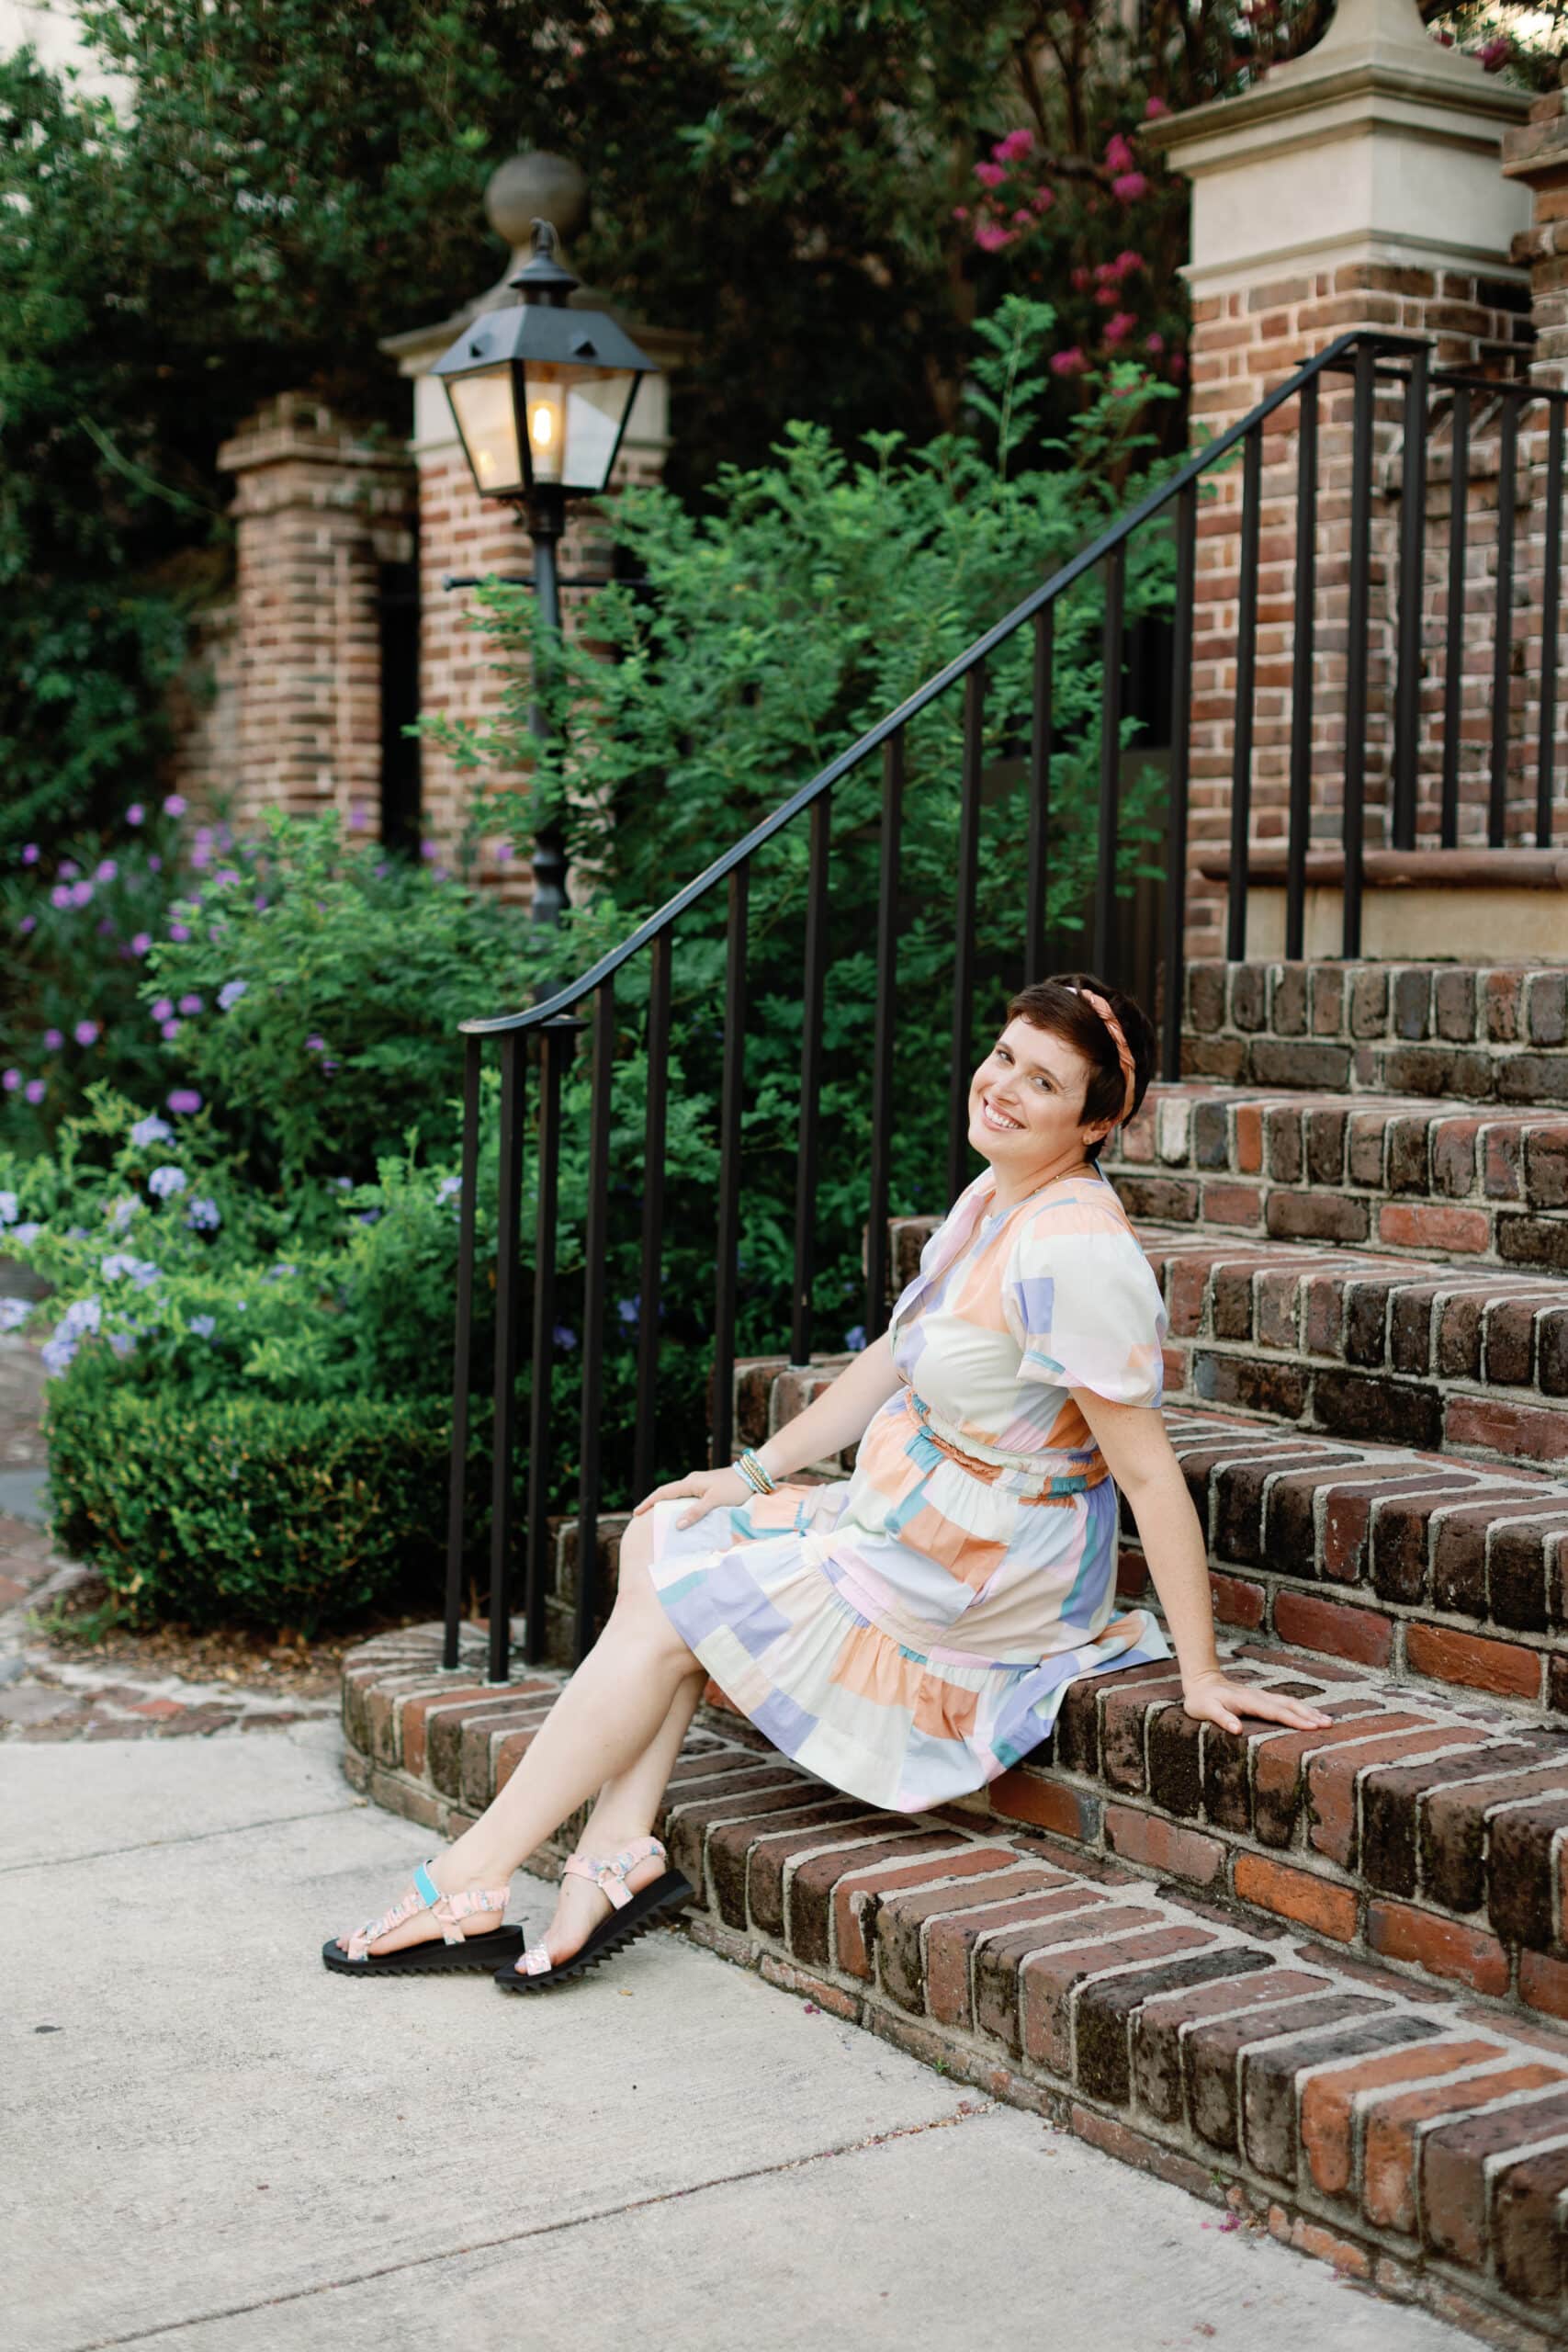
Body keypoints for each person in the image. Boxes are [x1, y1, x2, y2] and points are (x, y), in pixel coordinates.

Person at [324, 970, 1334, 1989]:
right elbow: (891, 1359)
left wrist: (1200, 1673)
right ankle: (616, 1848)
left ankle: (473, 1875)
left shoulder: (1074, 1248)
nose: (1004, 1089)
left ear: (1097, 1121)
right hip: (927, 1513)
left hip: (987, 1569)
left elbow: (1150, 1474)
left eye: (1043, 1082)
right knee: (664, 1534)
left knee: (677, 1601)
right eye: (1003, 1057)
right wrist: (748, 1470)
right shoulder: (996, 1194)